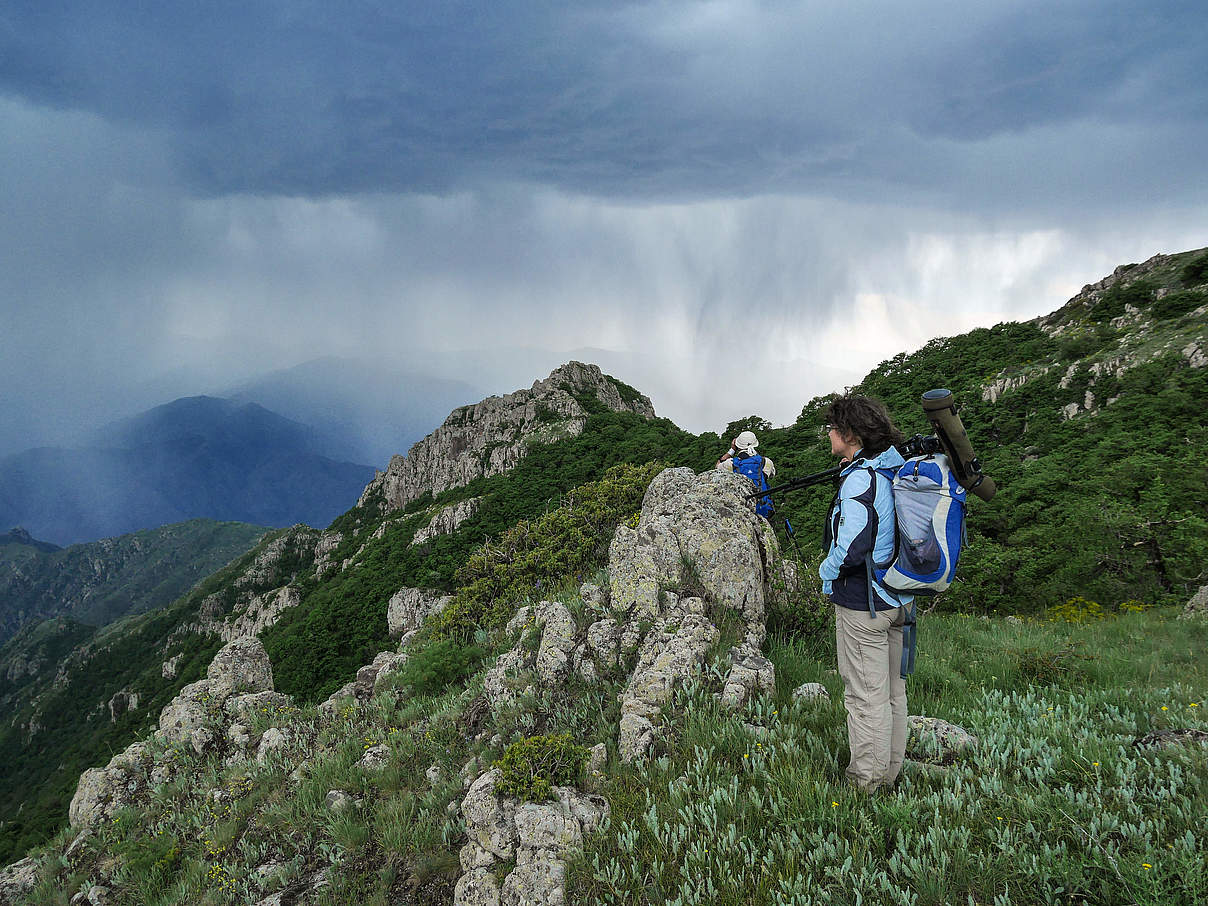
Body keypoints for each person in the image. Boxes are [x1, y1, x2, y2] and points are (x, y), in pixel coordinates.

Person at [820, 394, 912, 793]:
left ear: (850, 434)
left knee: (864, 696)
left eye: (832, 427)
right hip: (899, 599)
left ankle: (865, 784)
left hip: (864, 605)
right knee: (893, 692)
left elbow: (853, 546)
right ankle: (890, 773)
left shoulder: (861, 477)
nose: (827, 433)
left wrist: (825, 571)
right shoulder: (893, 466)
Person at [716, 430, 776, 516]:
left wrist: (732, 450)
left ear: (737, 444)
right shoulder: (766, 462)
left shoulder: (731, 463)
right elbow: (771, 475)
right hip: (763, 508)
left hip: (741, 509)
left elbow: (717, 467)